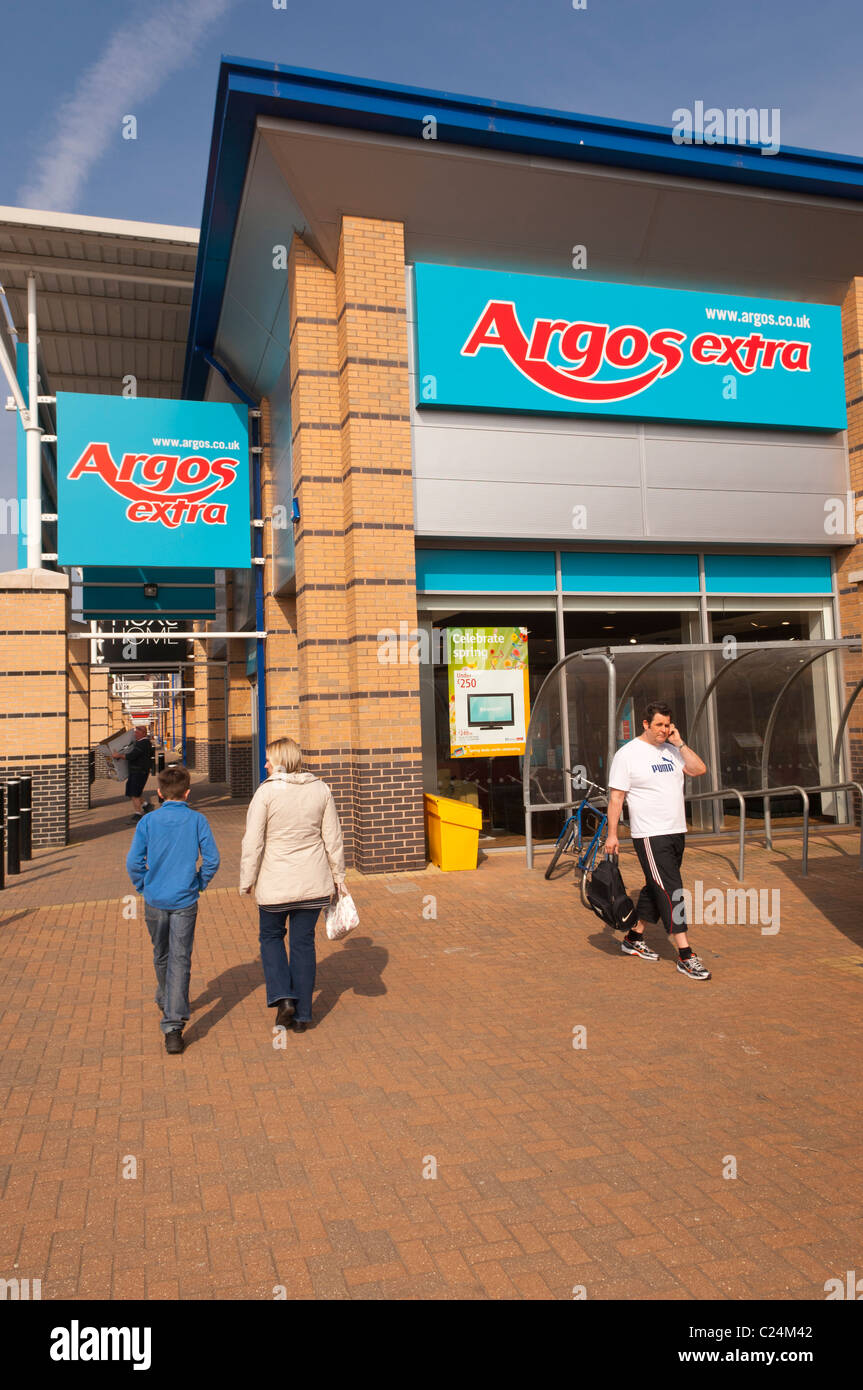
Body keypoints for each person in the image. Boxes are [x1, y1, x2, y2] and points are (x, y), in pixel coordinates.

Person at [239, 737, 346, 1033]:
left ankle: (283, 996)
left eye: (269, 760)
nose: (265, 765)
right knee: (303, 945)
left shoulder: (266, 793)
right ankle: (302, 1016)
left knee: (271, 938)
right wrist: (339, 878)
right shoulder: (321, 789)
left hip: (275, 885)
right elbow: (333, 839)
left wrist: (247, 880)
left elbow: (253, 841)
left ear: (280, 762)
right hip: (313, 884)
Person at [605, 702, 711, 981]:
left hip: (676, 830)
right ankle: (685, 955)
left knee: (657, 886)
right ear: (645, 725)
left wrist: (680, 742)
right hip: (649, 834)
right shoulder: (627, 755)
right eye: (659, 725)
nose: (664, 730)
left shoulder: (672, 750)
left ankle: (633, 937)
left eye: (667, 725)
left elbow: (700, 769)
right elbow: (616, 797)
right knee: (670, 889)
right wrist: (612, 834)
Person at [126, 763, 220, 1053]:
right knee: (181, 958)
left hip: (155, 899)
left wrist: (143, 886)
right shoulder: (197, 821)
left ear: (159, 793)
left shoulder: (148, 822)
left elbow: (133, 862)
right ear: (188, 792)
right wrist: (200, 883)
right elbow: (213, 860)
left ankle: (168, 1002)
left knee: (162, 953)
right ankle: (173, 1025)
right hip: (185, 899)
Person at [114, 725, 153, 821]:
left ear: (143, 733)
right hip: (138, 771)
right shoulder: (142, 742)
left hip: (139, 772)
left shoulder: (142, 743)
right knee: (134, 791)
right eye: (135, 732)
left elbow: (132, 756)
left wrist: (118, 755)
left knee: (134, 793)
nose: (135, 734)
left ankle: (138, 813)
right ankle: (146, 805)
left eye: (137, 732)